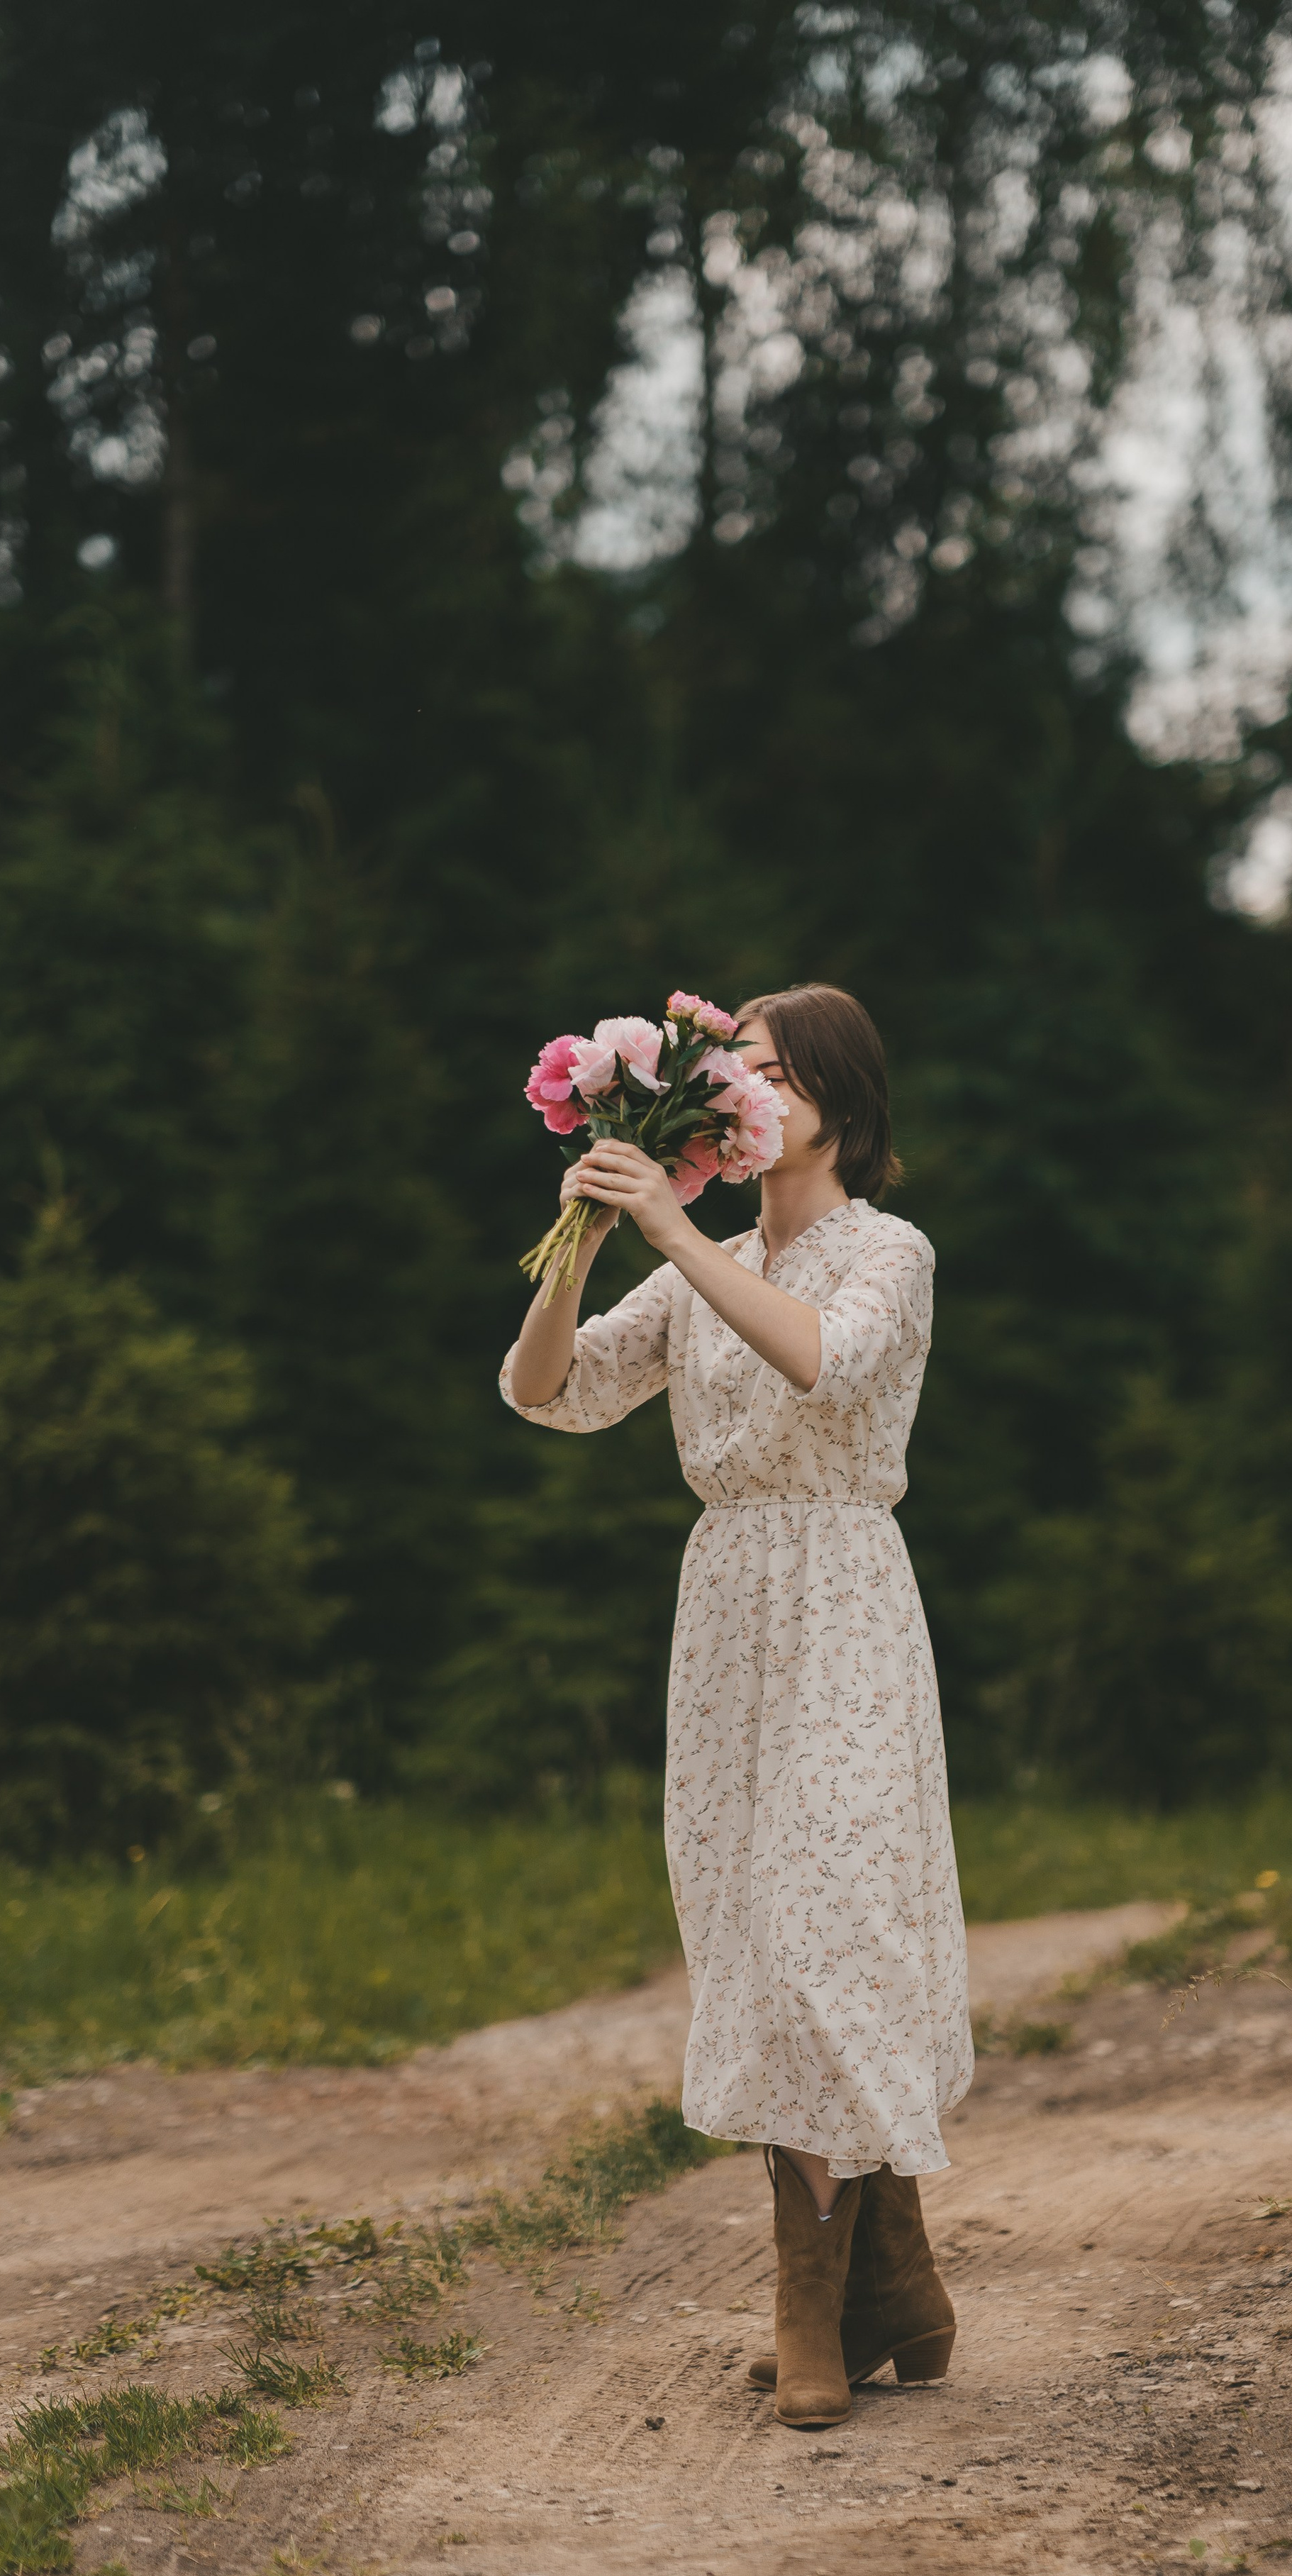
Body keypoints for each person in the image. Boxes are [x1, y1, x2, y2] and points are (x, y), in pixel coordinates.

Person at [501, 982, 971, 2430]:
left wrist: (668, 1234)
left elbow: (818, 1358)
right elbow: (544, 1393)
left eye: (763, 1070)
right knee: (758, 1938)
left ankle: (811, 2309)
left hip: (840, 1596)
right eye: (722, 1076)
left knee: (829, 1917)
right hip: (727, 1615)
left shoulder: (886, 1251)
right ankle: (880, 2279)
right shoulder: (692, 1254)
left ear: (831, 1095)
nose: (737, 1093)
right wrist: (582, 1241)